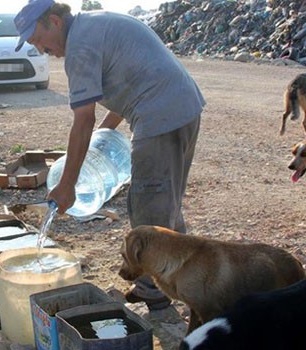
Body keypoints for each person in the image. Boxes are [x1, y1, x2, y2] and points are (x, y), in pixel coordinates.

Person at [14, 0, 205, 310]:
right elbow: (128, 83)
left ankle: (156, 292)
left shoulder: (78, 48)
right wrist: (100, 141)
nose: (39, 49)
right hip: (180, 107)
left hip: (160, 115)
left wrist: (67, 184)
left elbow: (83, 119)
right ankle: (179, 279)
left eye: (37, 40)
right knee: (165, 204)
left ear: (54, 22)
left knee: (148, 204)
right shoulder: (93, 25)